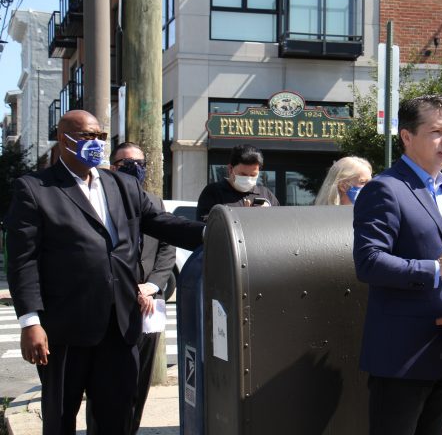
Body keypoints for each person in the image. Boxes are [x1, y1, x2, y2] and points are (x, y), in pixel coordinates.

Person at [5, 110, 205, 435]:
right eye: (86, 135)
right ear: (64, 138)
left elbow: (163, 224)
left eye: (100, 136)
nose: (95, 142)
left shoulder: (122, 185)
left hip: (120, 326)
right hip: (66, 328)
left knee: (117, 414)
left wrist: (213, 232)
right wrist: (31, 322)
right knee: (60, 417)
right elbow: (22, 260)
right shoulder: (35, 189)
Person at [352, 94, 442, 435]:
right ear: (407, 136)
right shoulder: (385, 190)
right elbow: (369, 262)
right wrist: (434, 268)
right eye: (437, 132)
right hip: (402, 357)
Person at [84, 142, 177, 434]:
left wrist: (151, 286)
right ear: (113, 167)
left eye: (139, 163)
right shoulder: (99, 202)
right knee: (106, 385)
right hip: (112, 305)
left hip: (148, 306)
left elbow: (166, 251)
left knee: (139, 380)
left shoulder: (153, 202)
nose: (134, 168)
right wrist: (127, 288)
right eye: (126, 163)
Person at [196, 144, 279, 221]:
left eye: (253, 175)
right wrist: (244, 217)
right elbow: (207, 228)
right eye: (243, 174)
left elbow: (280, 225)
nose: (248, 178)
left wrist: (269, 214)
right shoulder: (213, 192)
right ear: (230, 169)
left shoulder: (266, 195)